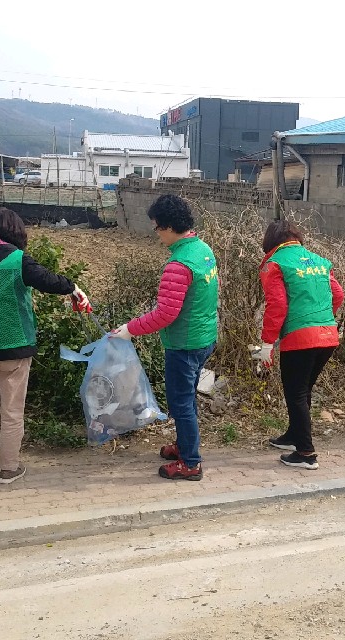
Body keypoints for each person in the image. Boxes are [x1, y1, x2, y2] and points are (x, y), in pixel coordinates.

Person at [0, 208, 90, 485]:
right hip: (16, 347)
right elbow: (48, 281)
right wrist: (72, 288)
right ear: (17, 234)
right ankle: (9, 469)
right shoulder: (17, 260)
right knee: (12, 409)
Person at [111, 194, 218, 481]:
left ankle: (191, 463)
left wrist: (129, 330)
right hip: (205, 337)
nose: (156, 233)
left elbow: (165, 314)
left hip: (184, 344)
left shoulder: (179, 264)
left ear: (170, 227)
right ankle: (185, 446)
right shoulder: (203, 250)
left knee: (181, 404)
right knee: (187, 399)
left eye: (157, 227)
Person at [256, 220, 345, 470]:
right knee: (302, 390)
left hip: (300, 336)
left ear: (270, 242)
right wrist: (322, 319)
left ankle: (306, 453)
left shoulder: (275, 264)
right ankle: (294, 436)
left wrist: (267, 343)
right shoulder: (319, 260)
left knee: (295, 393)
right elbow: (338, 295)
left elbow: (277, 306)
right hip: (328, 334)